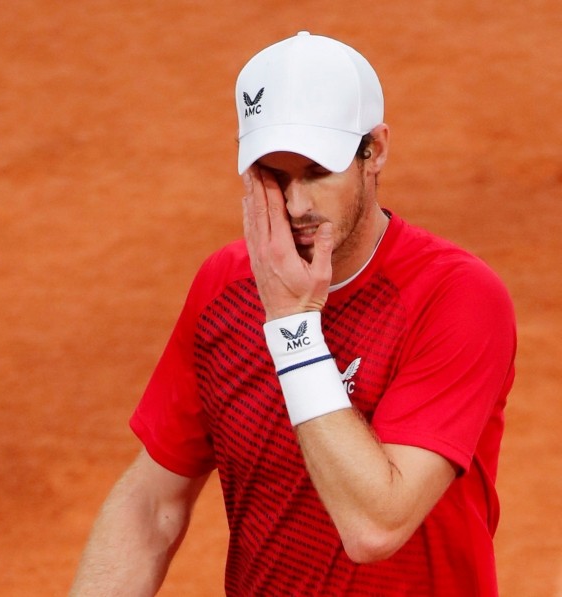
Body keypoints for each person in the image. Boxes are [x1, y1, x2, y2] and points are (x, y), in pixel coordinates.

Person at [70, 31, 516, 596]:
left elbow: (375, 525)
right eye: (274, 177)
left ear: (373, 150)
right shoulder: (224, 290)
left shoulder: (456, 296)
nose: (297, 205)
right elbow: (151, 505)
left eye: (315, 173)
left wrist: (293, 326)